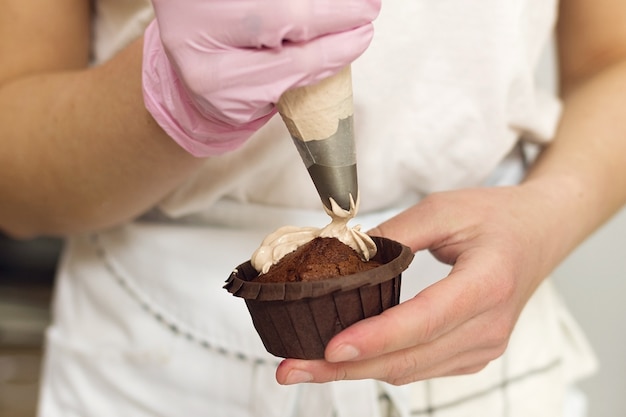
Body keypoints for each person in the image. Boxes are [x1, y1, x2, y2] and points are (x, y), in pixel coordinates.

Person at [1, 0, 624, 415]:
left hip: (484, 353)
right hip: (151, 369)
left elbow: (612, 60)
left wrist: (545, 214)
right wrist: (169, 96)